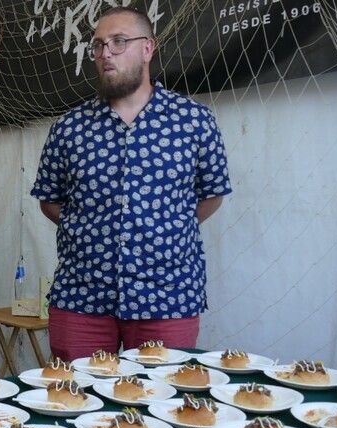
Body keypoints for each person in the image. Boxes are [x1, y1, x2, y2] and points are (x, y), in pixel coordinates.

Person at [30, 7, 232, 360]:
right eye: (98, 45)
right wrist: (89, 229)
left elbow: (212, 194)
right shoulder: (69, 128)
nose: (106, 53)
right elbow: (49, 199)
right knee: (74, 391)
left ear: (147, 48)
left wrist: (165, 228)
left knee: (162, 392)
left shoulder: (194, 121)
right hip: (82, 297)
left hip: (167, 297)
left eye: (119, 42)